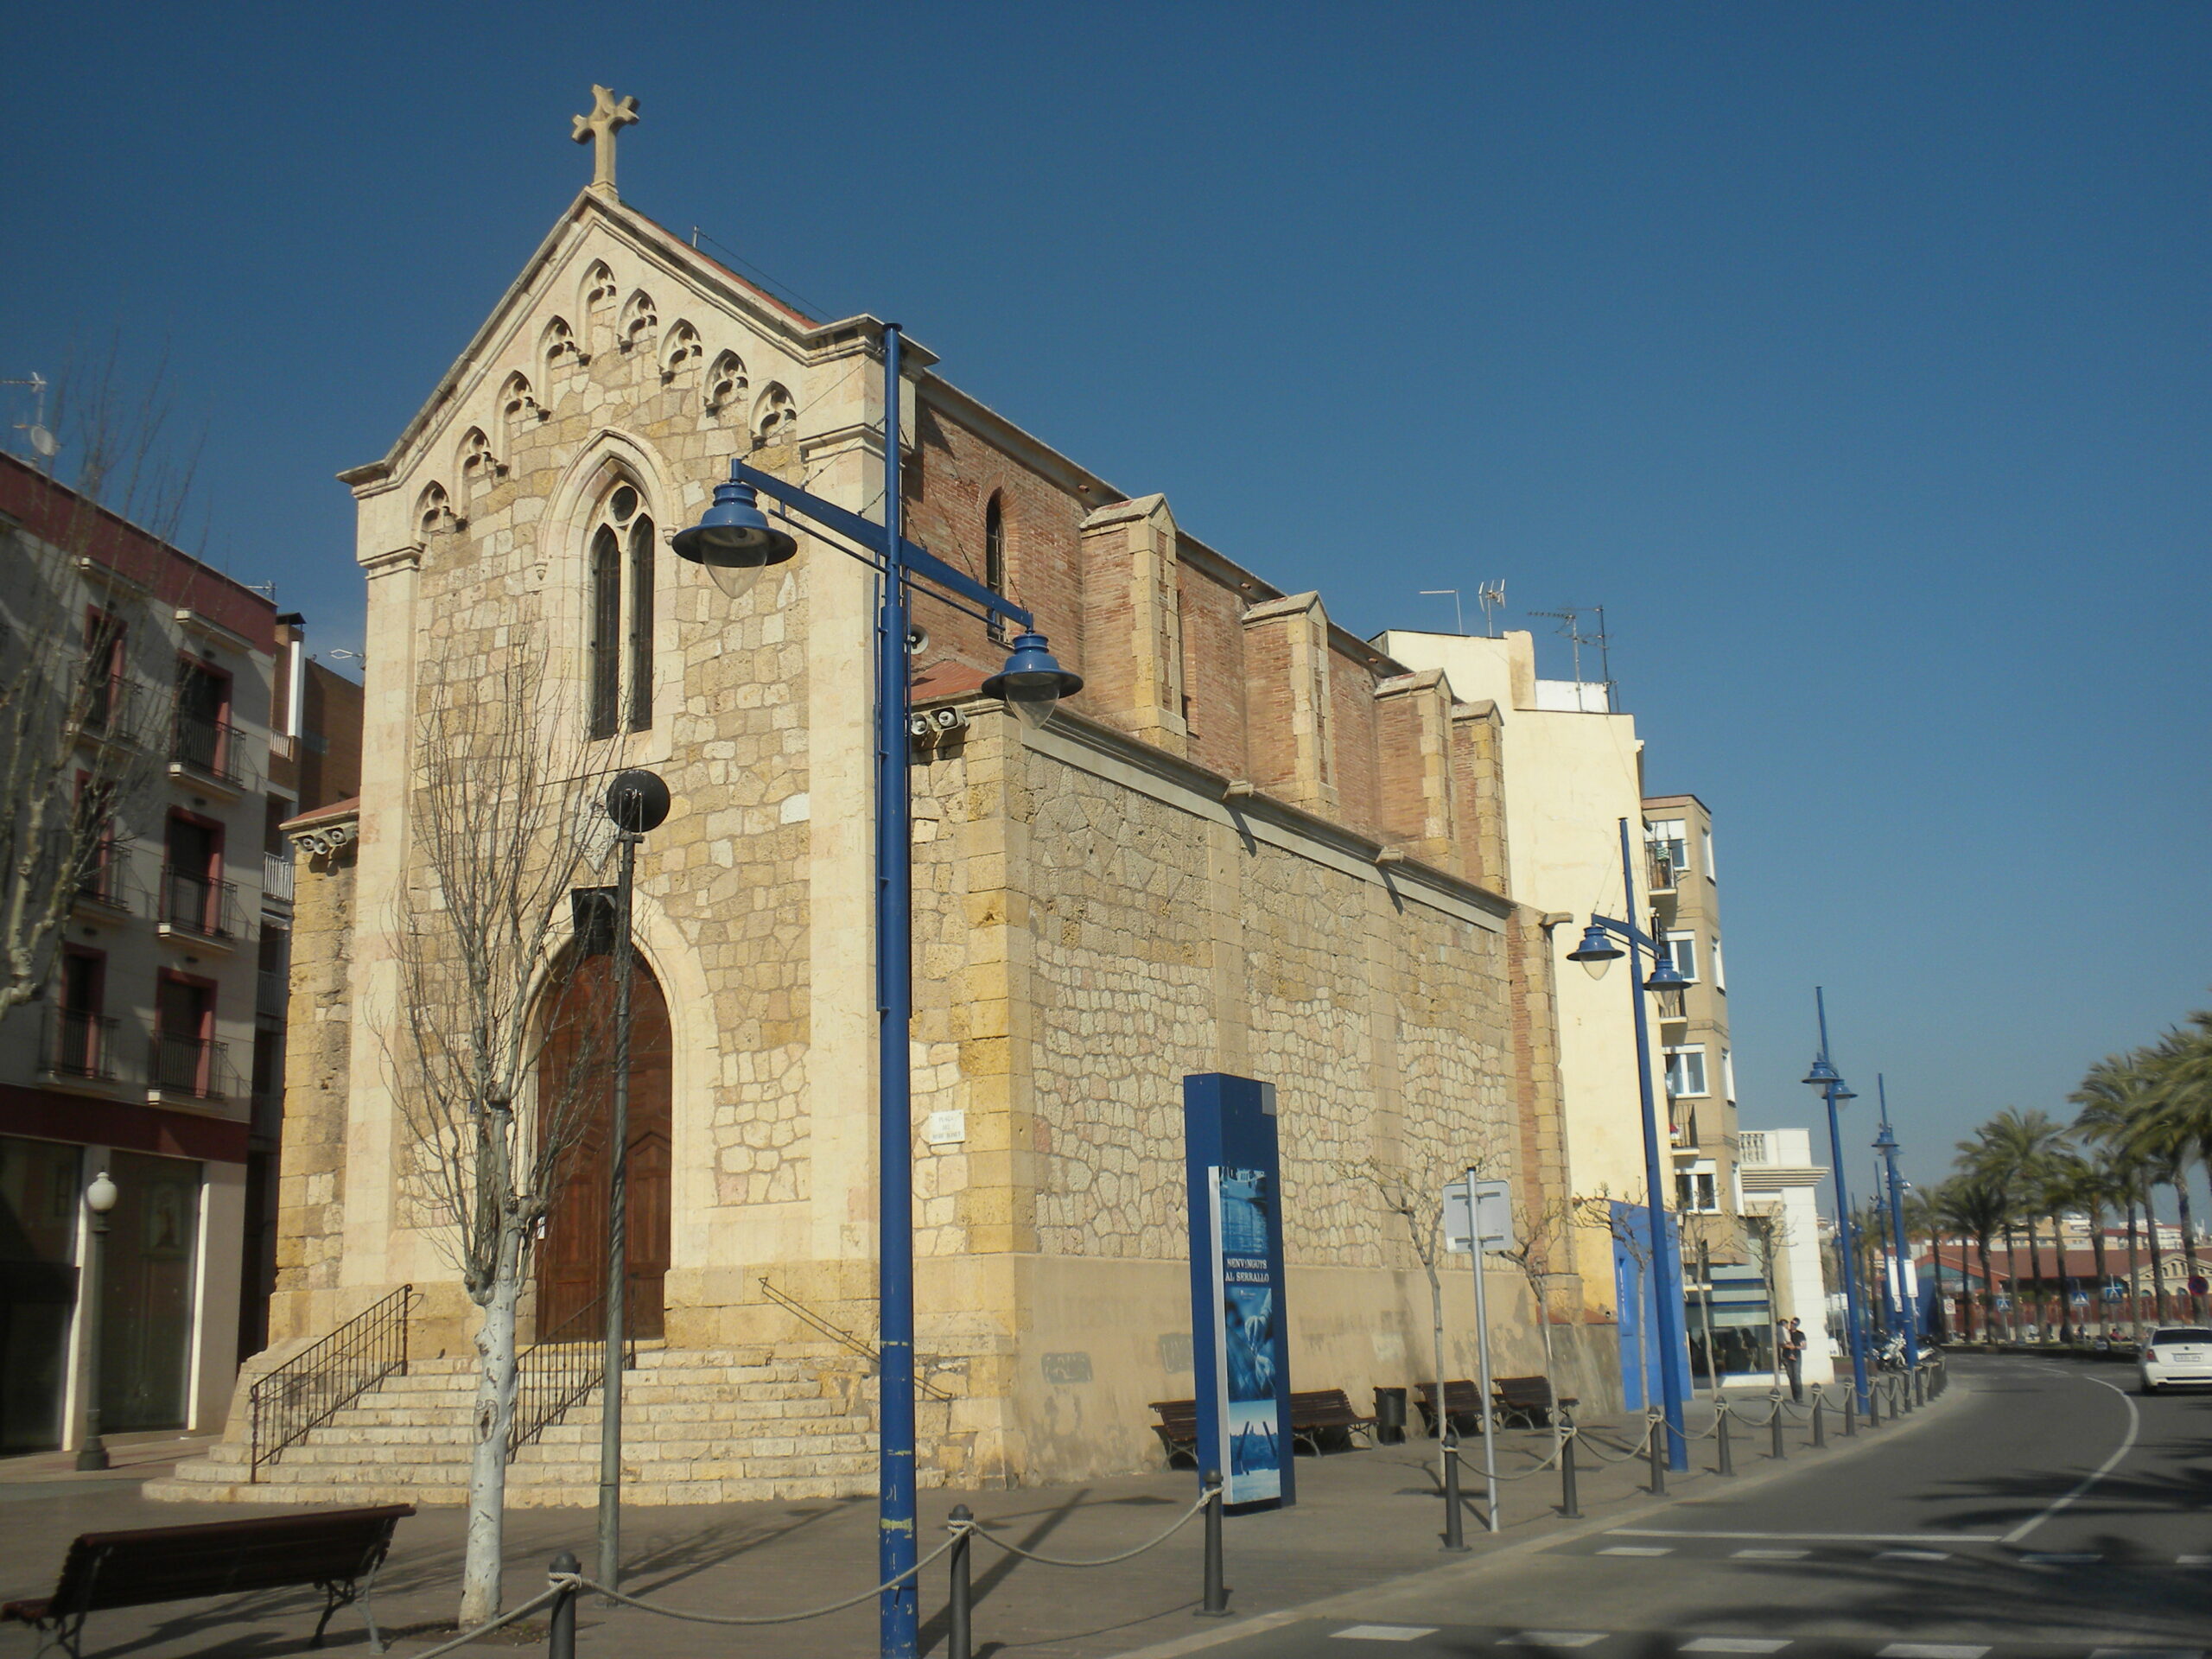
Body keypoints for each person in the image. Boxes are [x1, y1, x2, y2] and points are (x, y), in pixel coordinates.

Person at [1783, 1317, 1806, 1402]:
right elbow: (1781, 1344)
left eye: (1794, 1324)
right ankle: (1794, 1396)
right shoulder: (1786, 1333)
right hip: (1787, 1356)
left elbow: (1804, 1346)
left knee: (1796, 1375)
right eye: (1791, 1323)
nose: (1792, 1325)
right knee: (1791, 1376)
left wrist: (1795, 1347)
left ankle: (1799, 1397)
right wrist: (1788, 1346)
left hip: (1796, 1356)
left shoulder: (1800, 1334)